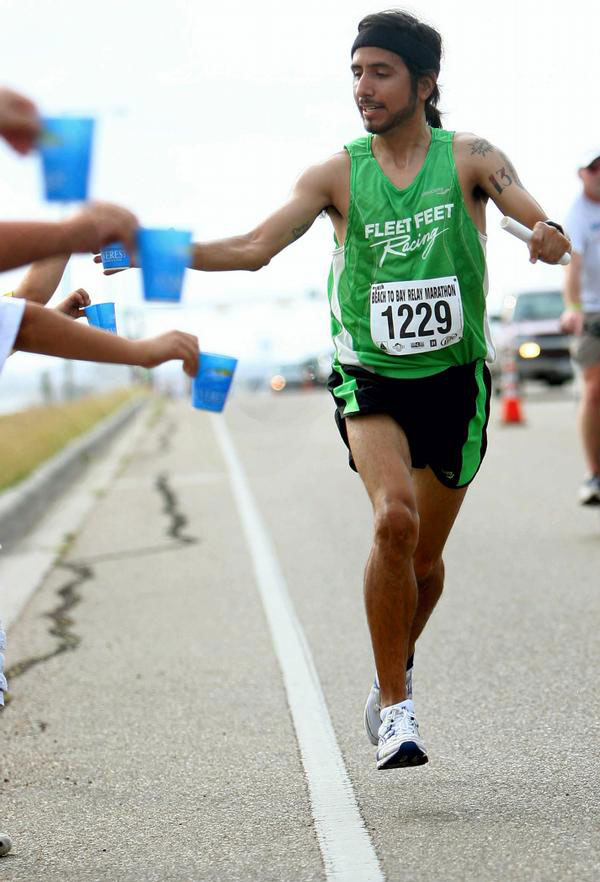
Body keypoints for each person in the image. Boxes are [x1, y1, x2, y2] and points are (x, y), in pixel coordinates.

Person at [97, 9, 570, 769]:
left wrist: (546, 230)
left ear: (424, 82)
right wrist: (151, 250)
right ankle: (399, 711)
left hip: (456, 381)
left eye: (379, 71)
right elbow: (252, 248)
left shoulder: (471, 157)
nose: (363, 87)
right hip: (370, 377)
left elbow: (528, 210)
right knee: (393, 522)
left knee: (422, 565)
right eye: (356, 72)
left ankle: (394, 668)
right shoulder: (335, 175)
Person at [561, 148, 600, 505]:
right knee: (594, 388)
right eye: (594, 168)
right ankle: (594, 474)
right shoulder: (578, 215)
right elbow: (572, 267)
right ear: (582, 174)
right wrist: (573, 308)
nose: (599, 173)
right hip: (592, 312)